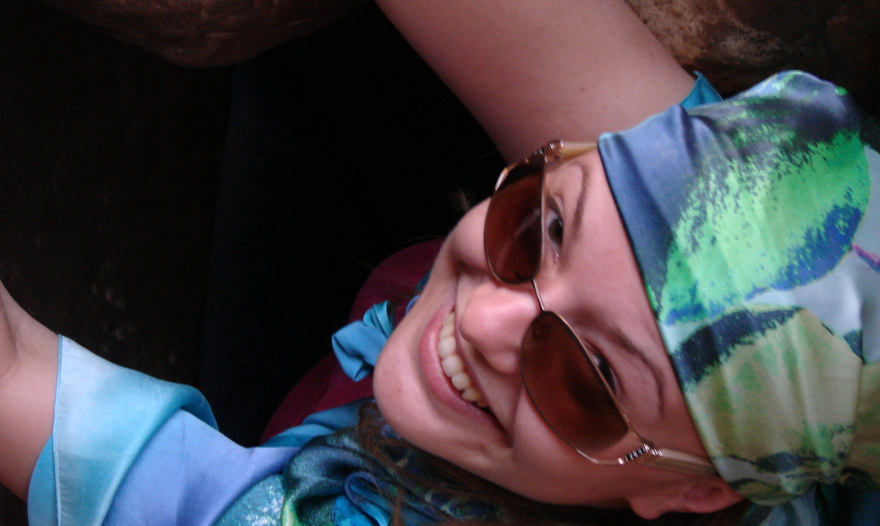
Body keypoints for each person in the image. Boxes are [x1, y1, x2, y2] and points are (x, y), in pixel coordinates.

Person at [2, 1, 879, 525]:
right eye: (537, 229)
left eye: (588, 378)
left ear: (696, 497)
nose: (487, 318)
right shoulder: (711, 249)